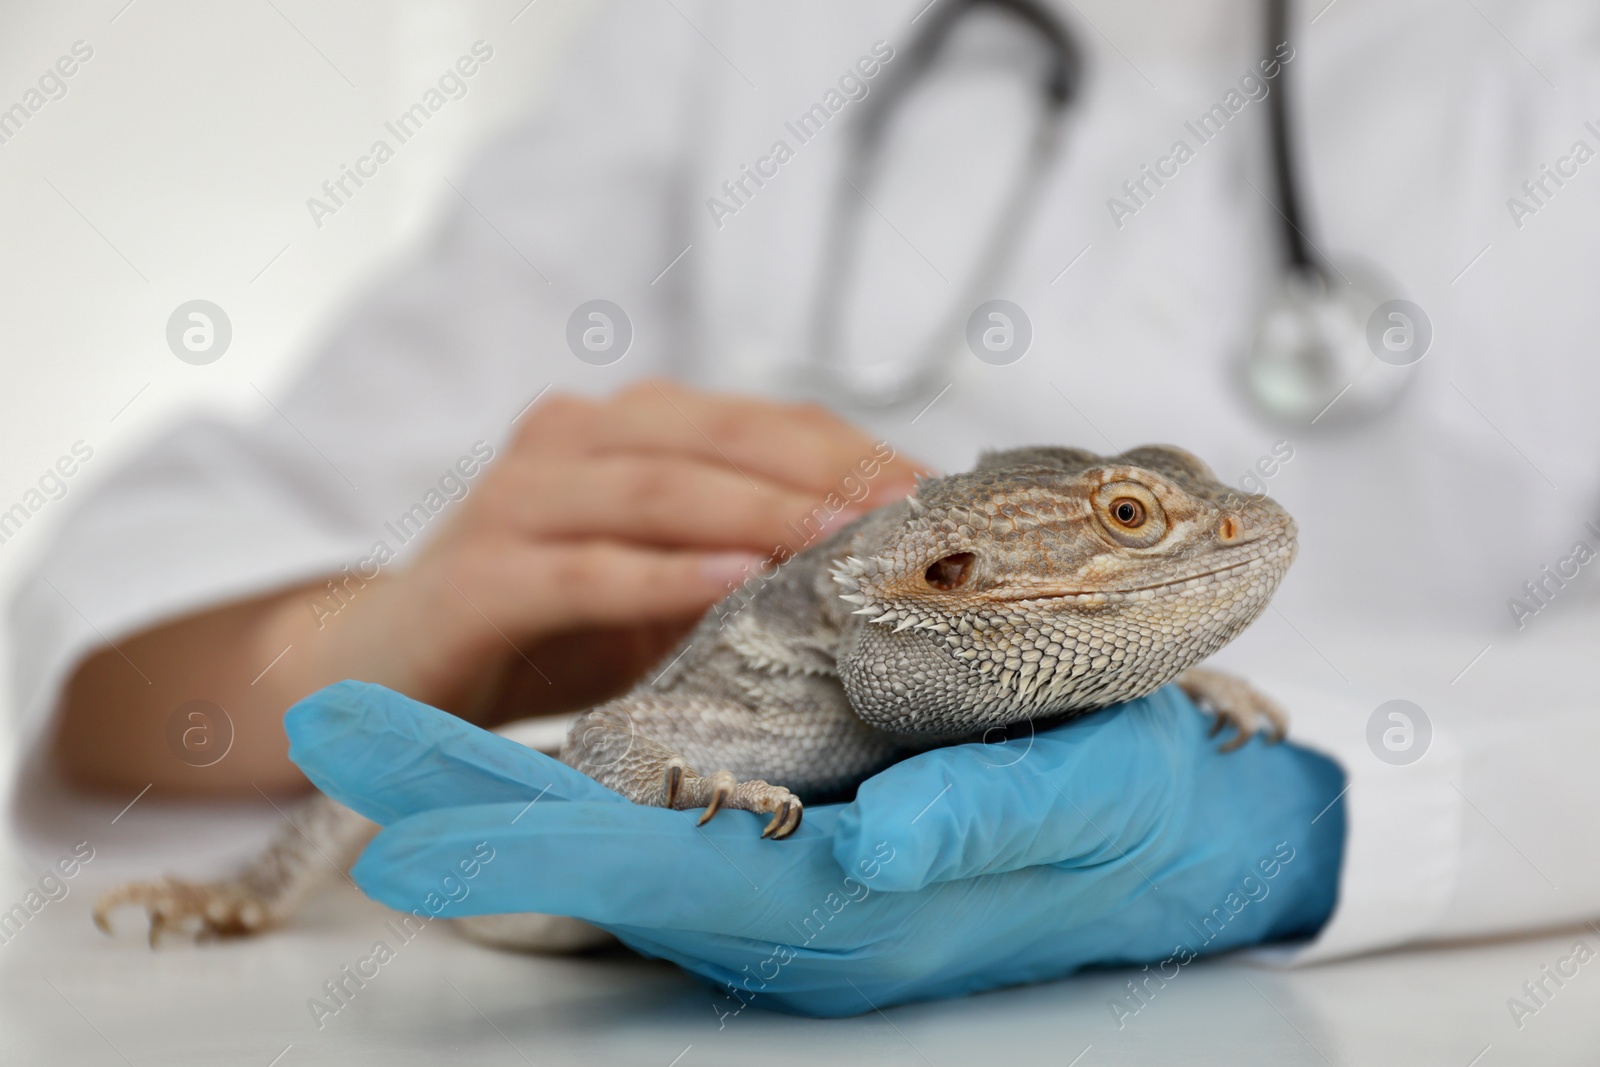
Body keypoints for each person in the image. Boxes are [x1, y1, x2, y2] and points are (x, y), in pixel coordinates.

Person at [12, 0, 1600, 1014]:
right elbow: (136, 591)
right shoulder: (721, 36)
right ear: (968, 564)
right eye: (1124, 519)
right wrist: (388, 629)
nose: (1191, 539)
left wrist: (1305, 801)